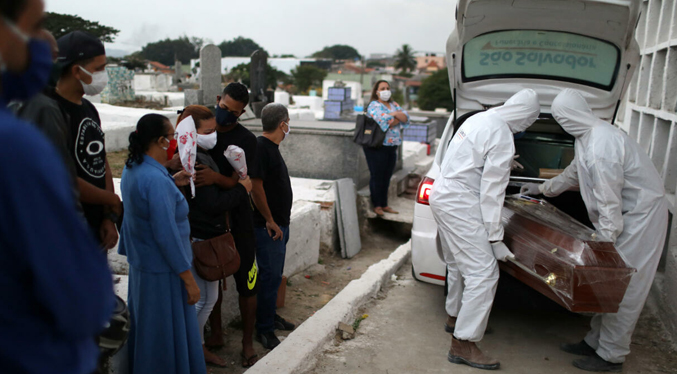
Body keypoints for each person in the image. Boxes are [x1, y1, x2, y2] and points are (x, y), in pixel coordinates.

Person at [0, 1, 115, 373]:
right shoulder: (20, 141)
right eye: (35, 27)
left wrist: (110, 208)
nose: (41, 43)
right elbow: (81, 296)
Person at [520, 89, 669, 373]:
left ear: (573, 114)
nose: (563, 124)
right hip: (625, 217)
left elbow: (607, 195)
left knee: (624, 287)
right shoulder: (587, 137)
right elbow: (574, 173)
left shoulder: (603, 144)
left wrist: (606, 240)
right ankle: (594, 341)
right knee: (608, 286)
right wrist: (542, 189)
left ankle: (611, 356)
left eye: (563, 118)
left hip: (641, 218)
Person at [429, 89, 540, 370]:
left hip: (442, 193)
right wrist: (495, 236)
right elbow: (492, 193)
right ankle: (463, 343)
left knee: (458, 262)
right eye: (529, 122)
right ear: (525, 118)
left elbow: (465, 156)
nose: (525, 128)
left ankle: (455, 317)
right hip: (461, 202)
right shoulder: (502, 134)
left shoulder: (479, 119)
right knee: (483, 272)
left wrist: (502, 161)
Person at [118, 114, 205, 374]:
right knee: (164, 334)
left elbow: (135, 215)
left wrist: (170, 180)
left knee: (148, 330)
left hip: (143, 265)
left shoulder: (134, 167)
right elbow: (165, 234)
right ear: (159, 140)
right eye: (172, 138)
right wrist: (188, 280)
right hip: (164, 270)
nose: (174, 143)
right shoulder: (155, 181)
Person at [22, 30, 121, 250]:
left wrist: (108, 216)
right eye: (99, 69)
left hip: (97, 227)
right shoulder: (50, 112)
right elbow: (62, 176)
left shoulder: (89, 109)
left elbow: (100, 160)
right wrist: (109, 200)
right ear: (77, 70)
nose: (104, 75)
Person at [176, 105, 253, 367]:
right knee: (204, 300)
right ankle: (194, 348)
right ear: (192, 133)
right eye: (207, 131)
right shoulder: (196, 161)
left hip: (204, 235)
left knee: (209, 298)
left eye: (213, 130)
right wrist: (242, 190)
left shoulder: (201, 154)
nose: (213, 135)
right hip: (202, 237)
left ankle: (195, 347)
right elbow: (211, 205)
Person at [191, 82, 260, 366]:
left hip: (240, 219)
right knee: (212, 277)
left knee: (247, 281)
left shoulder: (247, 140)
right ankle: (215, 334)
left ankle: (247, 343)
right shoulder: (203, 128)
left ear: (242, 113)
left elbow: (248, 182)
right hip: (210, 221)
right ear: (218, 100)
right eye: (223, 108)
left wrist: (218, 179)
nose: (225, 116)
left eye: (233, 113)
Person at [250, 103, 295, 350]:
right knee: (269, 277)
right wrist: (269, 219)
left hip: (280, 225)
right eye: (288, 121)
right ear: (282, 124)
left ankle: (271, 317)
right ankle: (264, 329)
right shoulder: (260, 147)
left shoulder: (272, 148)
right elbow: (256, 188)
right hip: (268, 227)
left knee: (275, 275)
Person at [364, 80, 411, 216]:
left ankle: (384, 204)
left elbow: (406, 117)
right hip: (377, 146)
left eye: (387, 88)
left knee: (386, 176)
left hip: (392, 145)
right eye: (382, 88)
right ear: (377, 91)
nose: (386, 90)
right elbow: (384, 122)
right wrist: (396, 115)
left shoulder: (393, 104)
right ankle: (377, 205)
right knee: (377, 175)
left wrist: (394, 115)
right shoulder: (374, 105)